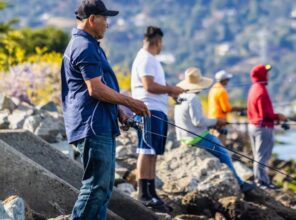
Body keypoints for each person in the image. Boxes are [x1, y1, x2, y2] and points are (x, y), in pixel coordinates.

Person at [61, 0, 149, 219]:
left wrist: (118, 110)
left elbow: (100, 88)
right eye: (105, 19)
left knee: (104, 188)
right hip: (92, 126)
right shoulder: (84, 47)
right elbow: (95, 89)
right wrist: (130, 102)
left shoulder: (90, 45)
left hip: (100, 123)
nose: (108, 24)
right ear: (92, 19)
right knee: (95, 187)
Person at [174, 67, 254, 193]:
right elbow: (198, 121)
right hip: (196, 137)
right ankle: (240, 183)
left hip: (183, 138)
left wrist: (211, 123)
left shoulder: (181, 97)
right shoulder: (193, 98)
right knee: (224, 154)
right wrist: (216, 121)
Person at [131, 26, 184, 207]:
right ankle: (143, 193)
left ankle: (151, 191)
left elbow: (156, 84)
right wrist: (171, 89)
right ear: (158, 42)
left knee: (153, 152)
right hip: (148, 109)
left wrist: (171, 91)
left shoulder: (151, 59)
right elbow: (149, 86)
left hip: (156, 110)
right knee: (146, 150)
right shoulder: (145, 58)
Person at [247, 64, 287, 190]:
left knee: (258, 155)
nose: (268, 75)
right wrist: (278, 116)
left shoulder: (254, 88)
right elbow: (266, 114)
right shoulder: (261, 91)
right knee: (262, 156)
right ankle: (262, 182)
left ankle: (261, 180)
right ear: (262, 75)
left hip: (254, 126)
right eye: (266, 73)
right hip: (263, 128)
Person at [208, 70, 245, 145]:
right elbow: (226, 109)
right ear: (224, 80)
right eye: (227, 80)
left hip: (212, 119)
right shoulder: (222, 91)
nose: (228, 82)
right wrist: (239, 108)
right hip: (220, 120)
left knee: (214, 142)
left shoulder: (213, 89)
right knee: (220, 143)